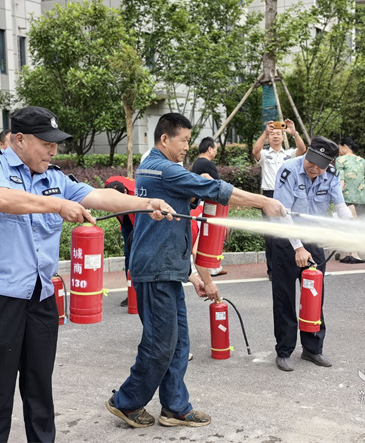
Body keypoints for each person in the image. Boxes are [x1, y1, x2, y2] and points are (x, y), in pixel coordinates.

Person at [0, 106, 175, 442]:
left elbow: (100, 197)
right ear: (19, 139)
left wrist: (147, 205)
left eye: (56, 143)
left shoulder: (55, 178)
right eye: (46, 142)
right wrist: (57, 205)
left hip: (41, 297)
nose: (53, 150)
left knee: (39, 392)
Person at [107, 113, 285, 428]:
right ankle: (126, 401)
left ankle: (174, 407)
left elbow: (173, 221)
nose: (188, 146)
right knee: (161, 344)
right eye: (184, 140)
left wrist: (190, 273)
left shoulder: (152, 166)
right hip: (157, 270)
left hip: (167, 268)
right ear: (165, 139)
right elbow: (216, 190)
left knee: (179, 342)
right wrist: (262, 203)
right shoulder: (164, 169)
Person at [271, 137, 353, 372]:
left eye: (320, 165)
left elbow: (341, 207)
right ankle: (284, 351)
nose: (313, 167)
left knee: (314, 296)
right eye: (311, 160)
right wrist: (297, 246)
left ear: (329, 163)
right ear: (307, 152)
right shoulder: (288, 170)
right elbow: (282, 212)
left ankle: (312, 349)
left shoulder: (333, 175)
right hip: (286, 239)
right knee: (284, 298)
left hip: (313, 240)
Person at [253, 119, 306, 280]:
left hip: (287, 195)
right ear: (269, 137)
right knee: (270, 235)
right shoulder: (265, 154)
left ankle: (289, 266)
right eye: (272, 134)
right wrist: (265, 132)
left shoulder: (289, 154)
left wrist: (294, 132)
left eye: (278, 133)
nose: (275, 136)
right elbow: (255, 151)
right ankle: (272, 270)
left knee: (289, 231)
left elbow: (302, 150)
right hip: (269, 195)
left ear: (283, 137)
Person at [190, 137, 226, 276]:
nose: (216, 153)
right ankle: (208, 267)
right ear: (210, 149)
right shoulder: (207, 164)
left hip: (197, 205)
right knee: (206, 236)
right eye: (215, 149)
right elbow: (219, 187)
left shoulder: (196, 163)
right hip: (206, 206)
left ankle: (207, 267)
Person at [104, 176, 136, 307]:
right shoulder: (109, 186)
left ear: (125, 194)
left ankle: (140, 293)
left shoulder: (136, 194)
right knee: (128, 255)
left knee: (137, 254)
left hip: (137, 219)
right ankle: (131, 292)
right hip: (126, 222)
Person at [335, 137, 365, 264]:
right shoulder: (362, 160)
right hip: (360, 196)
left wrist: (336, 198)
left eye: (339, 147)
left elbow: (340, 181)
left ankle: (347, 253)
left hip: (346, 197)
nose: (339, 150)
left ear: (345, 146)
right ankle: (355, 253)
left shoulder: (340, 160)